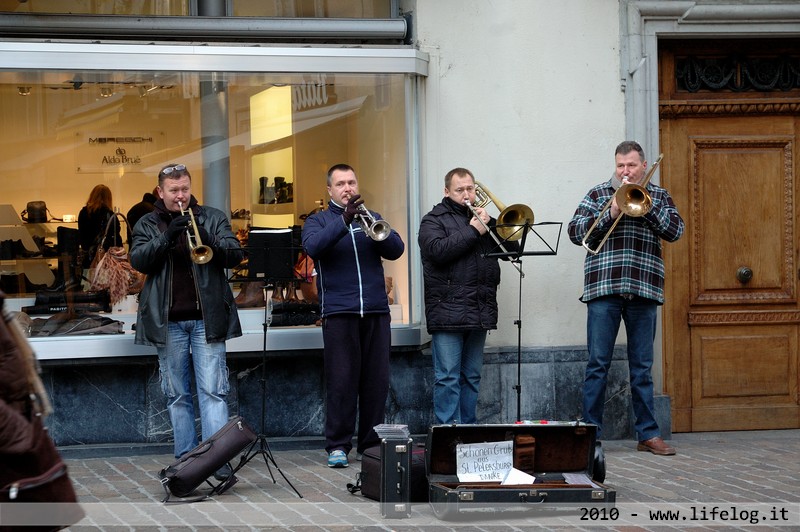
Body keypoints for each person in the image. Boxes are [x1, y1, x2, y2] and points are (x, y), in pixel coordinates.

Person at [568, 141, 684, 456]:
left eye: (631, 165)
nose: (625, 172)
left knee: (642, 366)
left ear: (644, 165)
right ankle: (590, 434)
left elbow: (676, 230)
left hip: (644, 288)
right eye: (620, 166)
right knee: (597, 364)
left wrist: (646, 209)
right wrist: (612, 213)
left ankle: (647, 433)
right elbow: (576, 232)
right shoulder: (597, 194)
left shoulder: (658, 196)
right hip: (604, 288)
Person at [129, 163, 245, 479]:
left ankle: (218, 462)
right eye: (174, 190)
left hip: (207, 320)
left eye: (185, 189)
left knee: (213, 392)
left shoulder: (211, 217)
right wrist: (168, 236)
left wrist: (206, 236)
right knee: (177, 394)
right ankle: (185, 462)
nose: (181, 196)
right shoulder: (146, 223)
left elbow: (235, 255)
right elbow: (138, 260)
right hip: (169, 322)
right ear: (160, 192)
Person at [301, 163, 404, 468]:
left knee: (376, 381)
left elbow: (395, 249)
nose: (348, 188)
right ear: (330, 190)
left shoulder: (371, 217)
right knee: (342, 381)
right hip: (339, 312)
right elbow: (314, 248)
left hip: (374, 310)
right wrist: (344, 220)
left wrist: (372, 226)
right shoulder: (318, 221)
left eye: (352, 182)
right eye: (341, 184)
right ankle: (338, 445)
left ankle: (370, 445)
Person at [418, 167, 517, 425]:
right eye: (460, 189)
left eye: (470, 189)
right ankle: (449, 435)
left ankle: (469, 430)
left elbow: (512, 250)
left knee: (471, 377)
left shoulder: (484, 220)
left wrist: (494, 223)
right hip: (447, 312)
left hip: (479, 310)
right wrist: (474, 231)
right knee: (448, 377)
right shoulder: (433, 220)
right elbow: (436, 251)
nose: (466, 194)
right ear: (446, 191)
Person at [77, 184, 123, 269]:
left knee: (88, 280)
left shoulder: (83, 213)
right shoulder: (110, 215)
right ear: (108, 198)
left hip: (88, 258)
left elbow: (82, 236)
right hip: (106, 260)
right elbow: (116, 239)